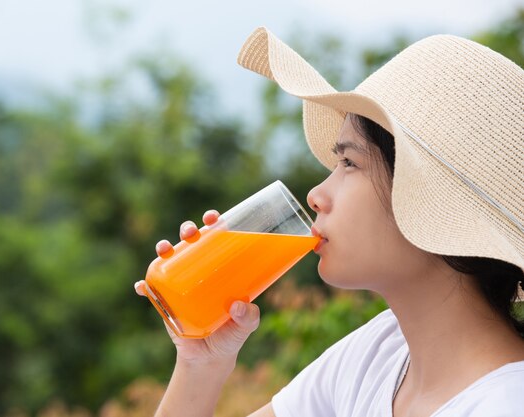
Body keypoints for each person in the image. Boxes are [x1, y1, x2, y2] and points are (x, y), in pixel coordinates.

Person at [134, 27, 524, 416]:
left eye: (349, 163)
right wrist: (200, 363)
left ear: (428, 203)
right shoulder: (381, 354)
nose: (316, 195)